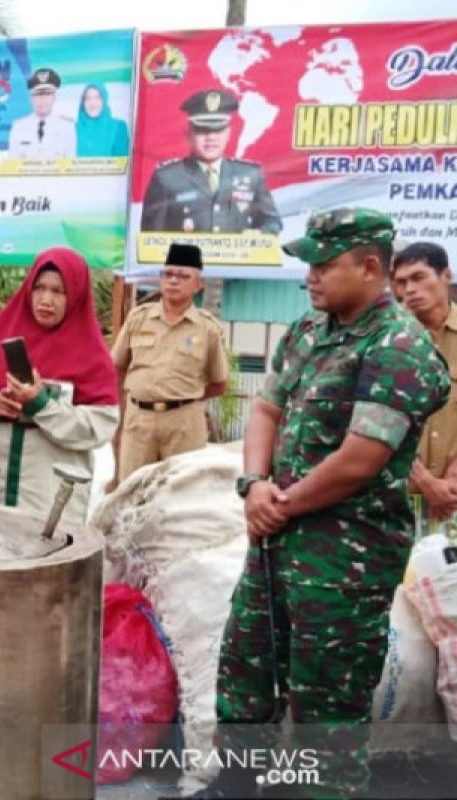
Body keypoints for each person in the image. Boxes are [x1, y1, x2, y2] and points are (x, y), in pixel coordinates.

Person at [204, 208, 450, 799]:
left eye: (323, 264)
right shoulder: (307, 332)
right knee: (245, 676)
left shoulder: (399, 345)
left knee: (326, 708)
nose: (310, 276)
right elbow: (265, 408)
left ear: (370, 268)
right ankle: (237, 787)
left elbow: (362, 457)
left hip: (344, 564)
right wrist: (255, 483)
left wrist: (279, 504)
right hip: (276, 546)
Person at [0, 248, 119, 520]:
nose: (46, 299)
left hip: (50, 500)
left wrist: (41, 405)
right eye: (39, 288)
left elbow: (99, 428)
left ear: (76, 295)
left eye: (58, 291)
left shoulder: (91, 354)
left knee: (47, 559)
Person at [111, 243, 229, 484]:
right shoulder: (139, 318)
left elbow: (219, 383)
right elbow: (117, 367)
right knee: (131, 490)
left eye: (183, 276)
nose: (173, 281)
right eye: (168, 274)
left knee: (180, 493)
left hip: (184, 424)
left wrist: (184, 397)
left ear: (199, 284)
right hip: (139, 421)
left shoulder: (207, 329)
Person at [140, 88, 281, 234]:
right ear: (189, 134)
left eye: (218, 130)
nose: (211, 138)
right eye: (202, 130)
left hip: (235, 256)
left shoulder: (250, 175)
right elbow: (151, 236)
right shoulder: (167, 178)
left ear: (228, 133)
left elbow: (272, 222)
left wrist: (258, 234)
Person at [391, 242, 457, 524]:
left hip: (452, 500)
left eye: (419, 277)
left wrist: (451, 482)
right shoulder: (389, 341)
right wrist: (427, 483)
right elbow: (376, 424)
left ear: (446, 276)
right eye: (401, 282)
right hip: (395, 501)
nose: (410, 290)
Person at [7, 68, 75, 158]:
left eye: (47, 94)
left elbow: (70, 164)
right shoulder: (18, 127)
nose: (43, 99)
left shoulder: (67, 127)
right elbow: (13, 165)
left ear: (54, 97)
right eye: (38, 94)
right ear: (31, 98)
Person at [75, 82, 129, 157]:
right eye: (88, 98)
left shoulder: (118, 127)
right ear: (83, 103)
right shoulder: (74, 129)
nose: (92, 103)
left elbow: (123, 162)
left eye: (97, 98)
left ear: (104, 101)